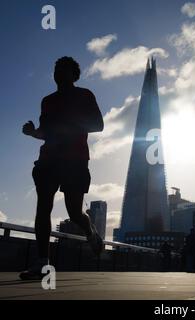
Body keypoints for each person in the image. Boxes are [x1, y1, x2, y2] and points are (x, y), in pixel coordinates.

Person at [20, 57, 104, 280]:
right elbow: (44, 132)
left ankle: (90, 231)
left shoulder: (85, 95)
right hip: (48, 160)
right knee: (43, 208)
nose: (58, 72)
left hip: (75, 160)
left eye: (64, 69)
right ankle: (42, 264)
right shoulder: (47, 101)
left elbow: (99, 125)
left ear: (74, 74)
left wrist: (70, 126)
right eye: (56, 69)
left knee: (74, 212)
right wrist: (32, 132)